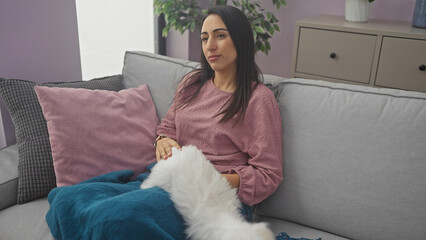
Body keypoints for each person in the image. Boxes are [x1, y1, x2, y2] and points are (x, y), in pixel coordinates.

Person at [154, 5, 283, 218]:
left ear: (240, 40)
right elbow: (167, 128)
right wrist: (162, 140)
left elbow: (269, 174)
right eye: (205, 39)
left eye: (220, 36)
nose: (210, 46)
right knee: (83, 197)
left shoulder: (258, 99)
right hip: (171, 181)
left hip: (216, 199)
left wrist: (209, 179)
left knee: (116, 217)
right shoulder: (191, 83)